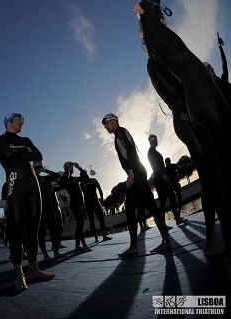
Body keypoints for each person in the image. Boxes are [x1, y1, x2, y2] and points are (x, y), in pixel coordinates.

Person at [134, 0, 231, 271]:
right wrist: (147, 12)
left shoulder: (164, 51)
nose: (164, 22)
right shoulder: (155, 61)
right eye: (158, 21)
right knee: (214, 174)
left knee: (214, 175)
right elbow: (174, 95)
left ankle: (214, 237)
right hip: (187, 115)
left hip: (192, 110)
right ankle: (214, 238)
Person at [0, 112, 55, 291]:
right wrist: (24, 152)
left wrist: (17, 153)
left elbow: (38, 155)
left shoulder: (26, 139)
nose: (23, 122)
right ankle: (19, 274)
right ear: (9, 122)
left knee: (33, 228)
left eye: (23, 121)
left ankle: (34, 269)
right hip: (15, 184)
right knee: (16, 230)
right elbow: (5, 152)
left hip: (33, 186)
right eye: (19, 120)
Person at [102, 113, 170, 257]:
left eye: (106, 124)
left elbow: (130, 150)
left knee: (150, 206)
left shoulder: (121, 131)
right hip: (136, 172)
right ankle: (134, 246)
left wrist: (131, 171)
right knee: (132, 209)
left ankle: (164, 240)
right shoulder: (118, 135)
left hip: (137, 173)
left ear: (113, 122)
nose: (105, 127)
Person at [147, 134, 186, 225]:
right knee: (163, 202)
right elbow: (154, 165)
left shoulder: (154, 151)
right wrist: (163, 174)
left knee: (171, 197)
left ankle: (176, 218)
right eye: (156, 140)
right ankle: (163, 224)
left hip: (162, 178)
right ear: (152, 141)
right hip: (160, 180)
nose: (157, 141)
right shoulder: (151, 152)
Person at [55, 162, 91, 252]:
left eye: (71, 166)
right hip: (74, 203)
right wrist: (67, 168)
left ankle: (77, 246)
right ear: (66, 168)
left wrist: (79, 168)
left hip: (80, 203)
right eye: (69, 166)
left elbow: (86, 178)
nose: (72, 167)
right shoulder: (65, 178)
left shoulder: (74, 178)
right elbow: (64, 179)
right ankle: (84, 244)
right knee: (79, 224)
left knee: (80, 224)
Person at [33, 161, 63, 260]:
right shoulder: (31, 179)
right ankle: (45, 255)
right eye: (37, 167)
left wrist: (45, 170)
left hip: (50, 208)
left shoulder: (45, 178)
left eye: (39, 167)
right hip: (39, 209)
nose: (38, 169)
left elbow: (56, 176)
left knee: (54, 230)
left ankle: (56, 251)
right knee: (41, 232)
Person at [79, 170, 112, 242]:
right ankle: (96, 237)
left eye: (82, 174)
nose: (81, 175)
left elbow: (100, 189)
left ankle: (104, 235)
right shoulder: (81, 183)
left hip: (95, 202)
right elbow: (82, 195)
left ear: (85, 174)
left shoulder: (92, 180)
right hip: (88, 203)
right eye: (80, 174)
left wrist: (102, 199)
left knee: (101, 218)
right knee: (91, 220)